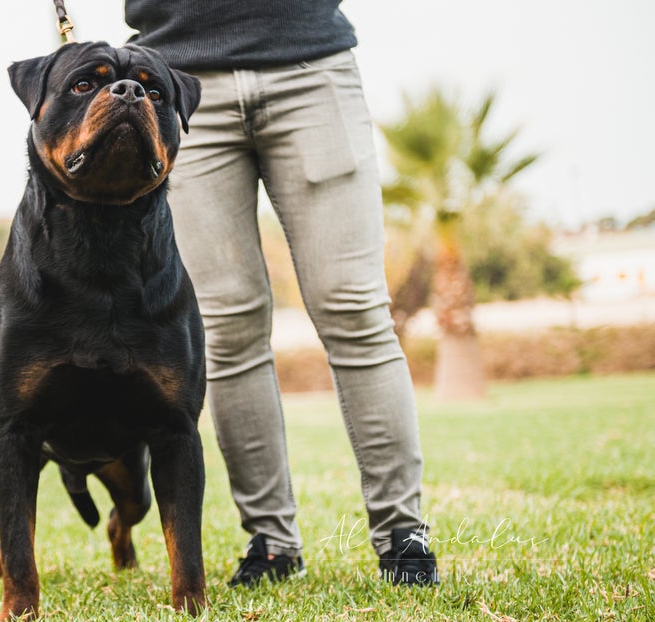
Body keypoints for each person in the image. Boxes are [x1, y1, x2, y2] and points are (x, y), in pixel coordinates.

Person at [124, 0, 440, 586]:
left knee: (356, 310)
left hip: (311, 68)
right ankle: (270, 543)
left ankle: (405, 537)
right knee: (226, 328)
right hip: (179, 81)